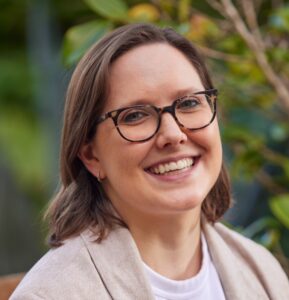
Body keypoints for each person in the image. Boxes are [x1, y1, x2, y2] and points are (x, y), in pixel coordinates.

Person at [11, 23, 289, 300]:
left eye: (189, 103)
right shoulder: (50, 294)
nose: (173, 134)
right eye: (135, 115)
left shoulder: (261, 272)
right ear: (91, 156)